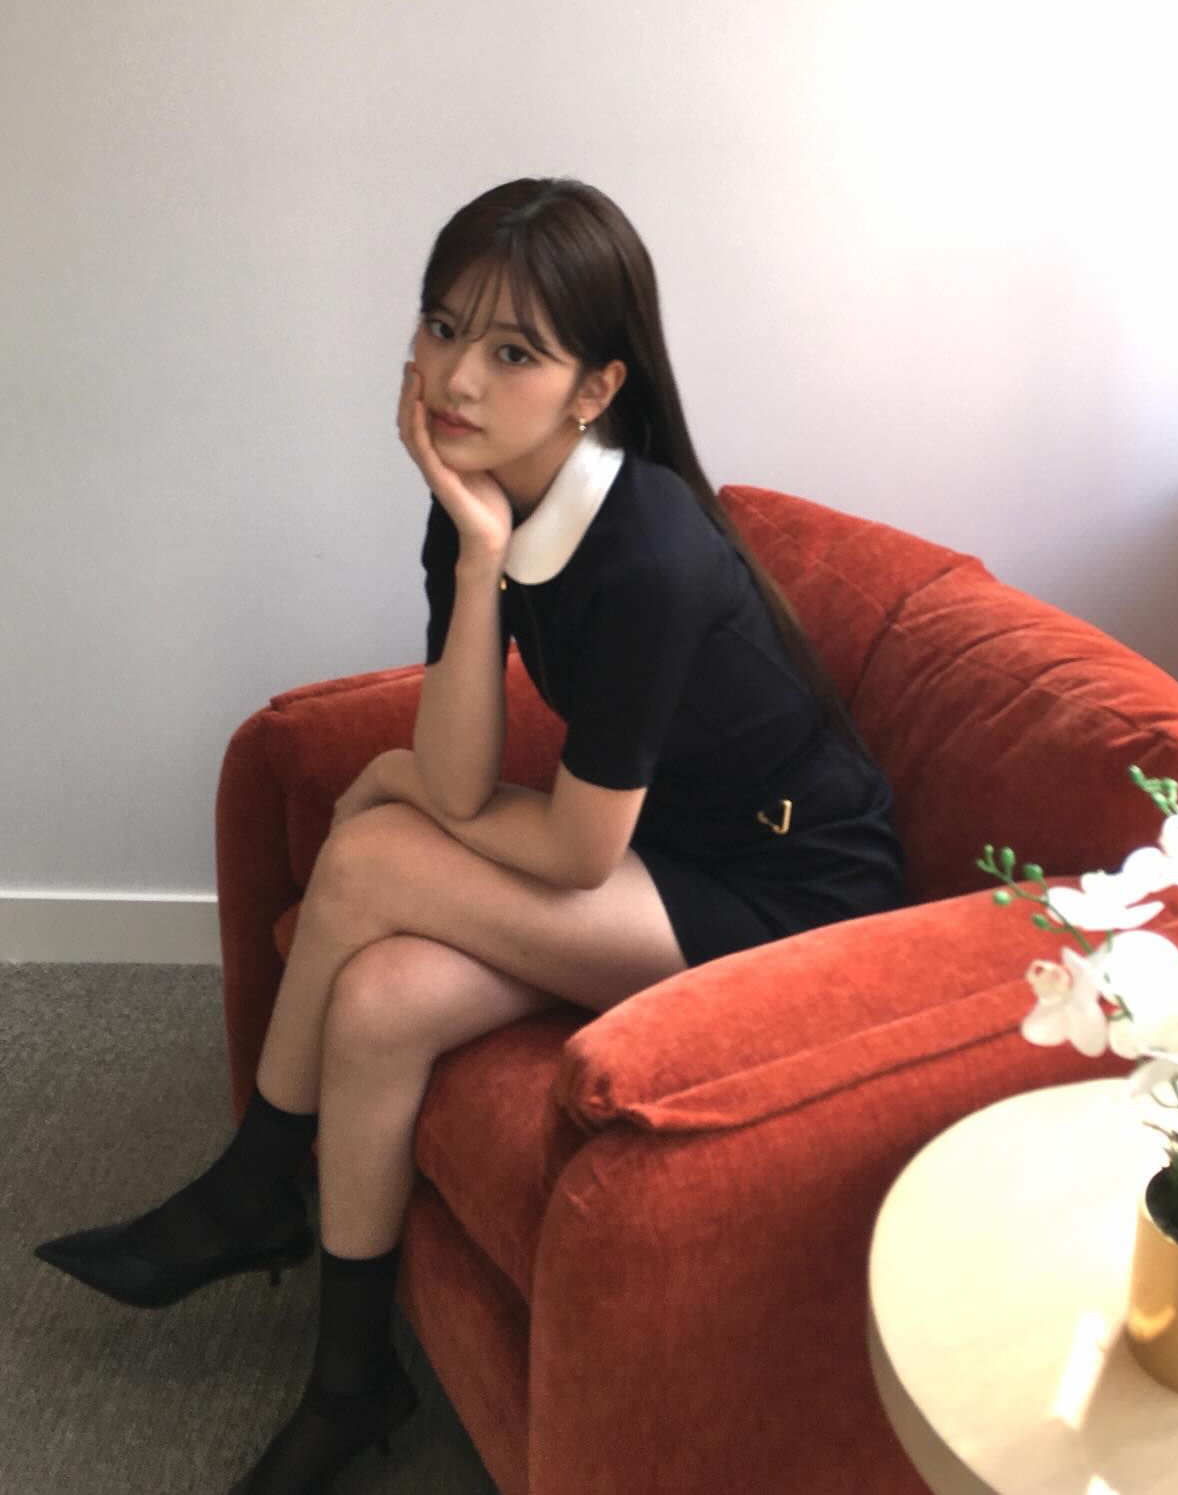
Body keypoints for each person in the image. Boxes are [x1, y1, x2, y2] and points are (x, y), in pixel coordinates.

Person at [33, 177, 910, 1492]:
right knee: (378, 995)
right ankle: (350, 1382)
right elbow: (460, 780)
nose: (454, 377)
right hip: (657, 858)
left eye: (512, 352)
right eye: (442, 327)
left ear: (596, 387)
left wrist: (393, 785)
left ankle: (252, 1187)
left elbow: (566, 854)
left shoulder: (651, 550)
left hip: (792, 900)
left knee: (373, 850)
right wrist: (479, 555)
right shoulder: (484, 502)